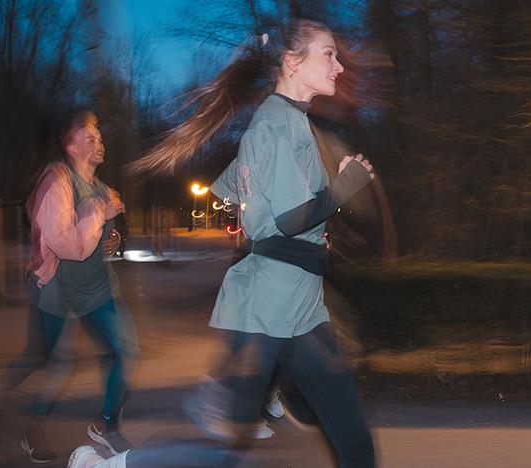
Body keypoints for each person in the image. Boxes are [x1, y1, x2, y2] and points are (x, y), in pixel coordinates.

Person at [71, 19, 376, 468]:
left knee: (351, 437)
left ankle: (266, 400)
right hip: (270, 305)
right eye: (328, 54)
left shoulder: (287, 121)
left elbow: (233, 190)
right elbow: (291, 218)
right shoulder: (278, 126)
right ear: (293, 62)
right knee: (222, 452)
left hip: (301, 304)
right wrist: (344, 186)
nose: (338, 66)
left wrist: (293, 225)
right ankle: (114, 466)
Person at [20, 109, 138, 463]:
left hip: (98, 286)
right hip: (60, 288)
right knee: (58, 366)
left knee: (125, 352)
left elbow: (109, 235)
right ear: (71, 146)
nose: (99, 142)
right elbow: (66, 244)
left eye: (100, 137)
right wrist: (99, 212)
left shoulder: (103, 189)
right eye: (90, 138)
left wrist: (113, 239)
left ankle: (106, 424)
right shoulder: (57, 182)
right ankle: (33, 429)